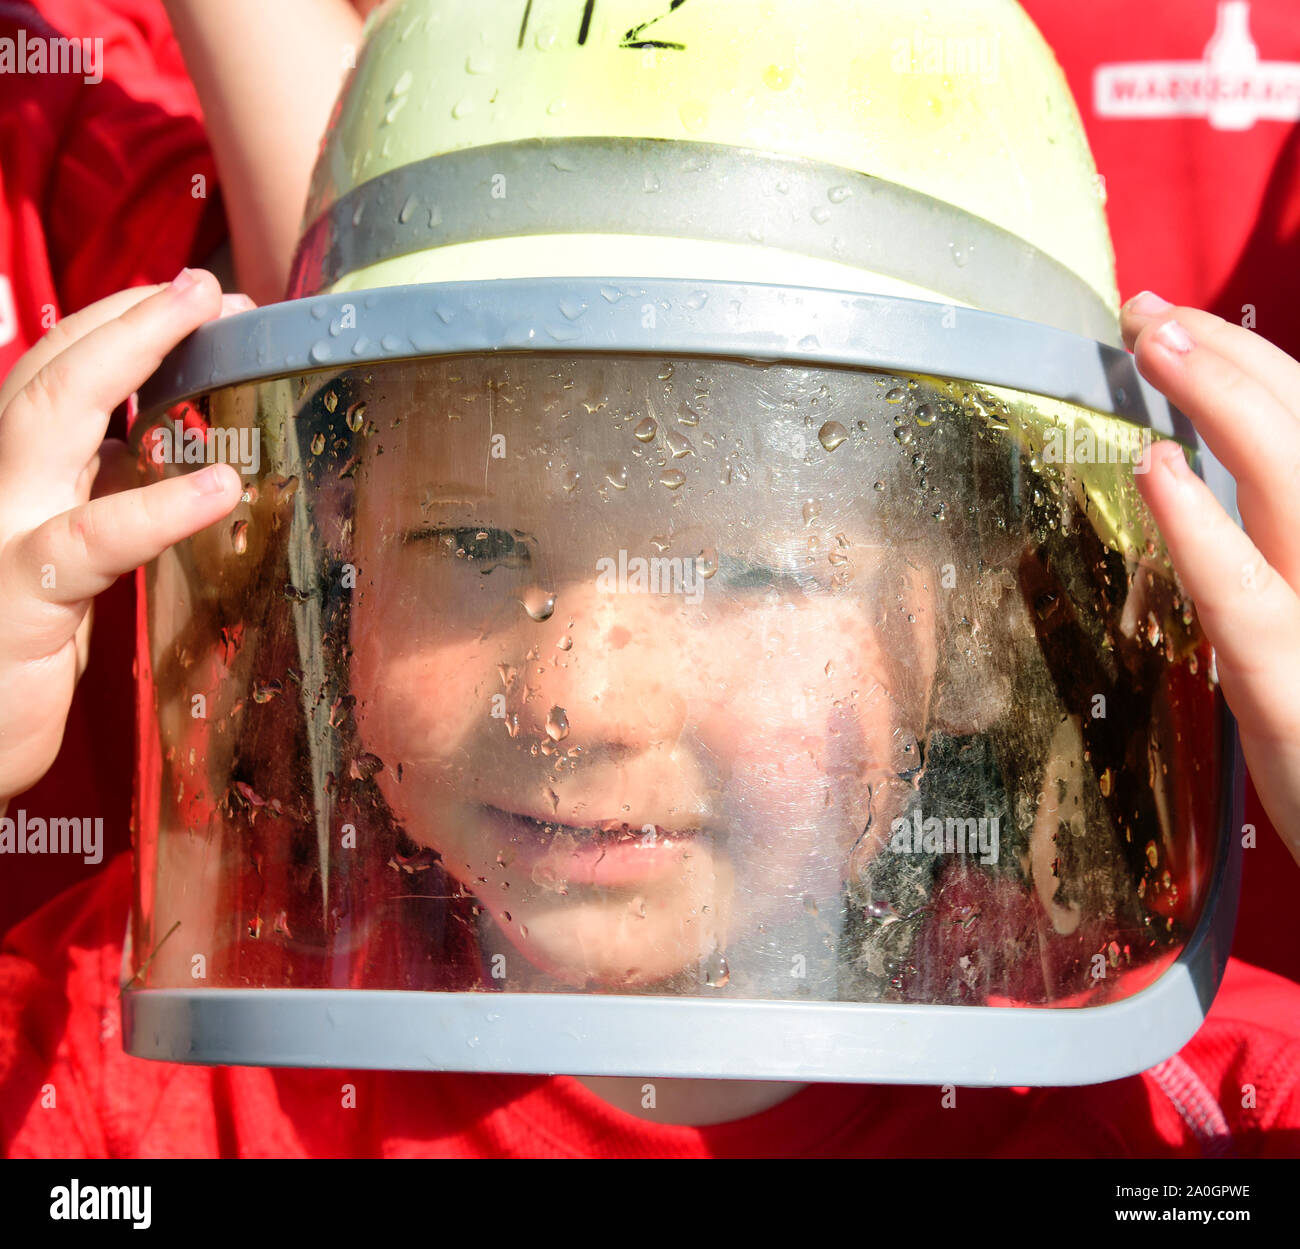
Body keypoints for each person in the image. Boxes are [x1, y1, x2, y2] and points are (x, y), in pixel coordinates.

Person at [1, 269, 1300, 1152]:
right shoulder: (134, 1073)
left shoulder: (1186, 1110)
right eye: (476, 540)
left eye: (745, 568)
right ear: (347, 554)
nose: (576, 696)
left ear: (973, 632)